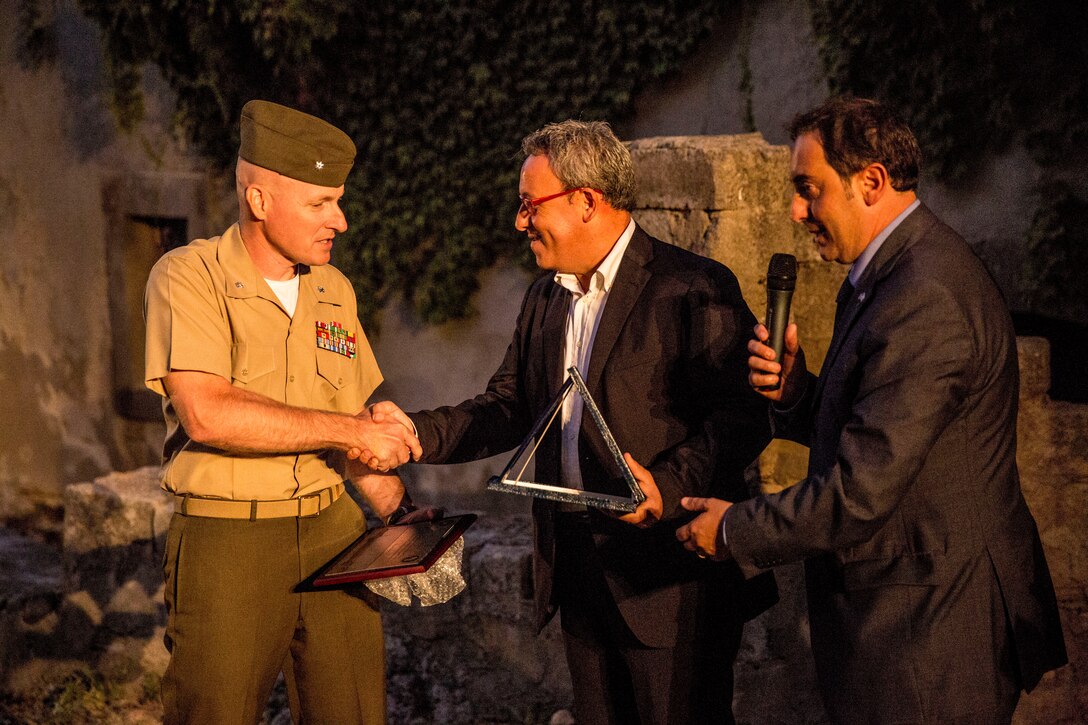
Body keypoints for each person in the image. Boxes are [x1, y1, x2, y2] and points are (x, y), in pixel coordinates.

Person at [675, 96, 1068, 723]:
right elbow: (878, 426)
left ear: (872, 182)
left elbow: (861, 491)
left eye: (810, 190)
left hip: (933, 633)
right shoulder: (890, 273)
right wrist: (797, 393)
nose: (797, 211)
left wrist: (731, 530)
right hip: (909, 619)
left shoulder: (926, 295)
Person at [383, 120, 774, 724]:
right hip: (577, 577)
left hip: (668, 582)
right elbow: (510, 408)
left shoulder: (691, 286)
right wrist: (412, 436)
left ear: (587, 201)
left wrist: (667, 487)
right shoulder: (544, 298)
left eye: (528, 204)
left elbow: (744, 416)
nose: (519, 222)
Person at [144, 100, 426, 724]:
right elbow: (209, 414)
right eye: (320, 203)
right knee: (214, 713)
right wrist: (353, 430)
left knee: (351, 711)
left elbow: (350, 427)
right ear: (260, 199)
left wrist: (403, 513)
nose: (341, 221)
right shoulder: (188, 278)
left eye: (339, 200)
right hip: (231, 541)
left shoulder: (334, 288)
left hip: (334, 529)